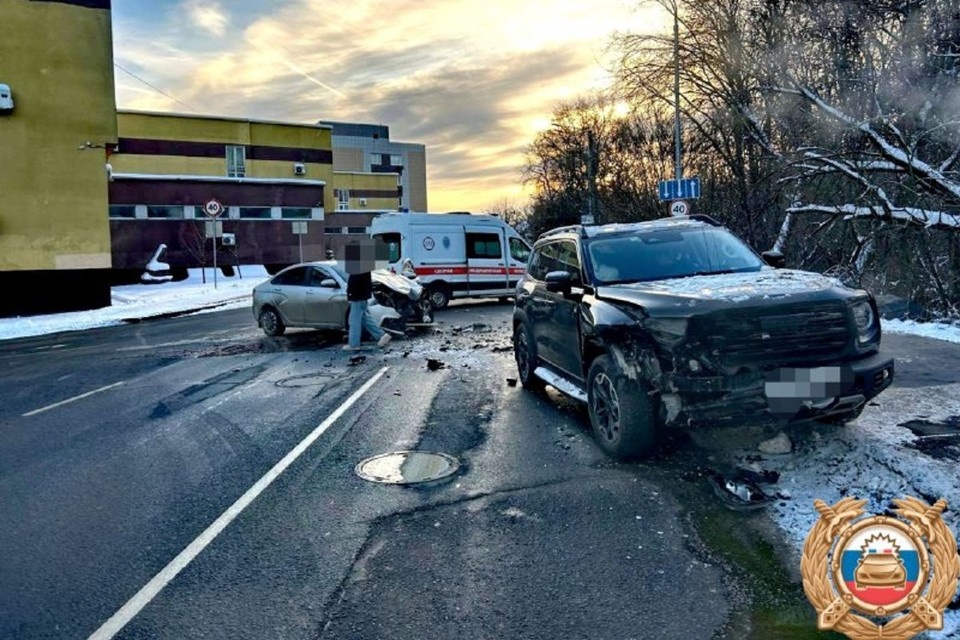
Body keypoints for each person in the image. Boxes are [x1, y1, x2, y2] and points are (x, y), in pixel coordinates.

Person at [345, 270, 391, 351]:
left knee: (354, 320)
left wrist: (350, 294)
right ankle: (382, 335)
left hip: (357, 296)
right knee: (365, 318)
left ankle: (353, 344)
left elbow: (354, 281)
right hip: (361, 295)